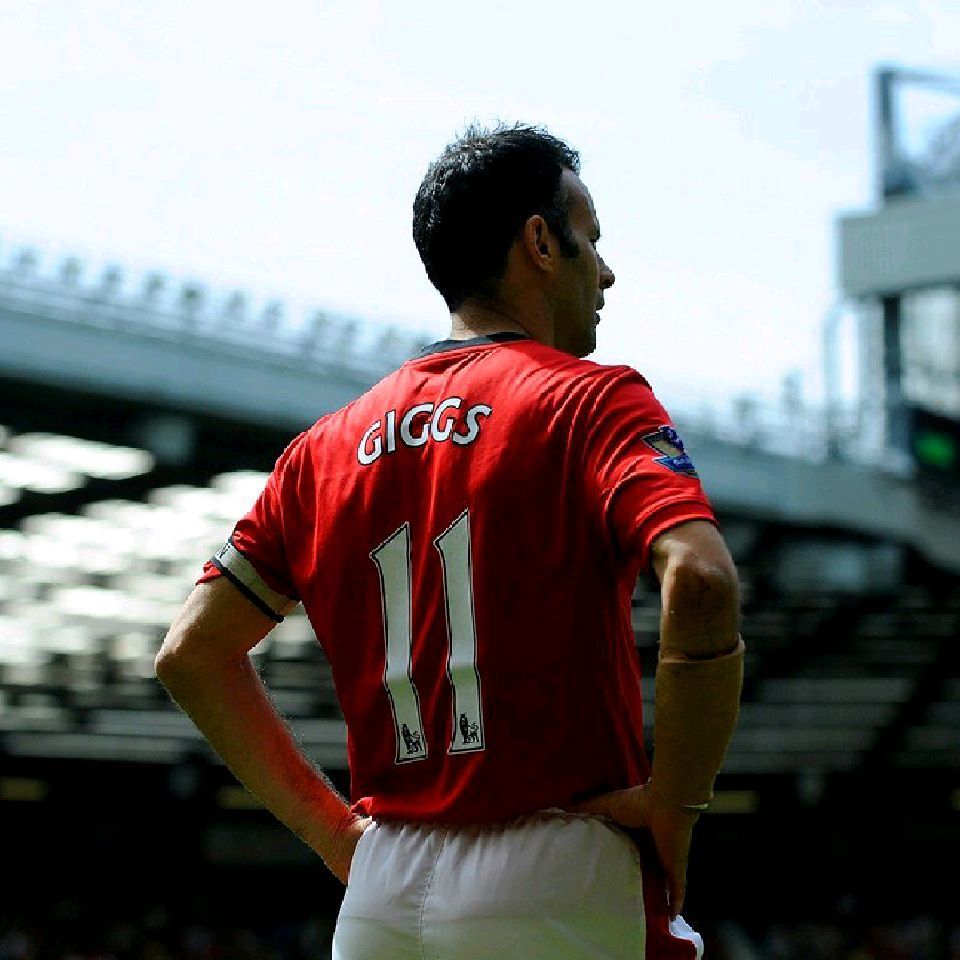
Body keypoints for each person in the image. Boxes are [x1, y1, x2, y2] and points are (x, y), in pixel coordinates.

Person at [155, 124, 744, 959]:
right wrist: (676, 806)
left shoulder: (322, 449)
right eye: (592, 239)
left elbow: (190, 654)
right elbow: (703, 580)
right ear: (541, 242)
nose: (607, 273)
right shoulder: (590, 400)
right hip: (561, 866)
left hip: (382, 890)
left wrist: (332, 835)